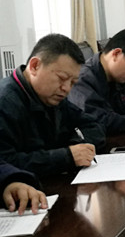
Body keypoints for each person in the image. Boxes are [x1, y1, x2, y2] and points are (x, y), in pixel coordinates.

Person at [0, 34, 105, 176]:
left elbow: (94, 125)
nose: (66, 88)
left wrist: (77, 146)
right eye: (61, 78)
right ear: (34, 66)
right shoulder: (5, 102)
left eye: (73, 82)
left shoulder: (52, 97)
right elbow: (5, 164)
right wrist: (65, 156)